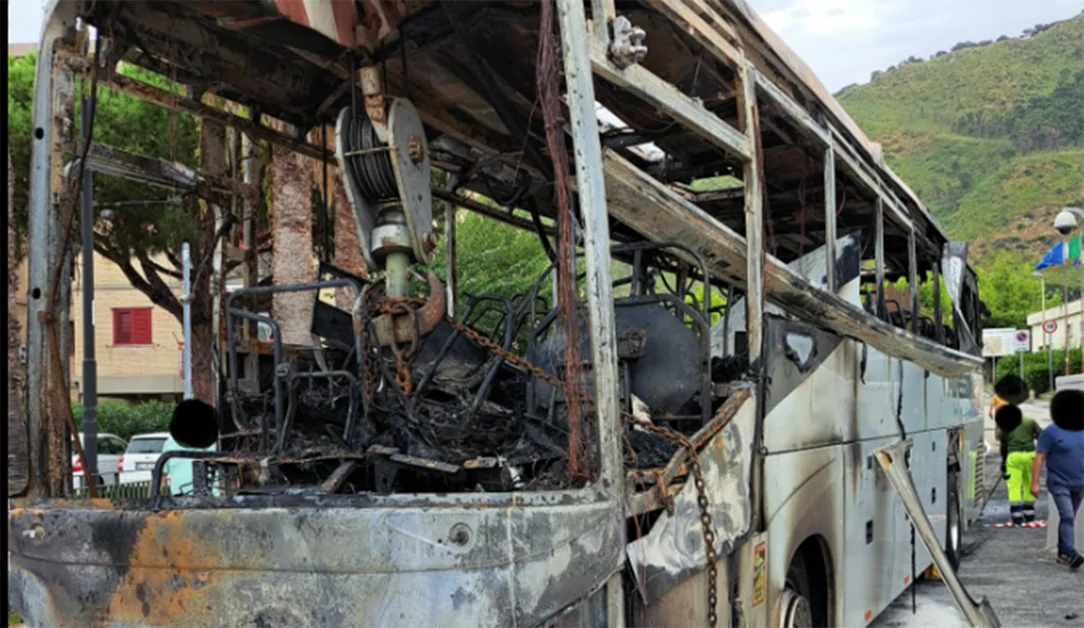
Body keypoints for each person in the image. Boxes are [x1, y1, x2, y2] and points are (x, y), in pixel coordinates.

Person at [1031, 389, 1084, 569]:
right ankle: (1071, 552)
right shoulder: (1051, 432)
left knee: (1069, 517)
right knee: (1067, 515)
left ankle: (1063, 553)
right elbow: (1039, 457)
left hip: (1080, 482)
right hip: (1059, 482)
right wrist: (1035, 483)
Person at [994, 404, 1042, 525]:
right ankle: (1029, 515)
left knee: (1014, 485)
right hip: (1030, 456)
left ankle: (1016, 517)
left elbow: (1002, 445)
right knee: (1029, 483)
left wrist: (1004, 463)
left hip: (1014, 456)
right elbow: (1041, 435)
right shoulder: (1030, 421)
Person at [160, 398, 219, 497]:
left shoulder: (219, 445)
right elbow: (161, 476)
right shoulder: (169, 445)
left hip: (216, 502)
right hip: (179, 502)